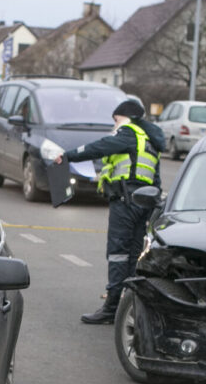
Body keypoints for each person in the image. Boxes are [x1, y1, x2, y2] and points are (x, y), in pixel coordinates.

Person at [55, 99, 166, 324]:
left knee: (117, 253)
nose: (113, 125)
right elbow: (156, 178)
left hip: (125, 202)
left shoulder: (127, 132)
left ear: (122, 117)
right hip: (143, 203)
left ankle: (111, 308)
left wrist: (69, 155)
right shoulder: (150, 140)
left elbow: (100, 147)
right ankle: (130, 306)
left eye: (115, 120)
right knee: (134, 255)